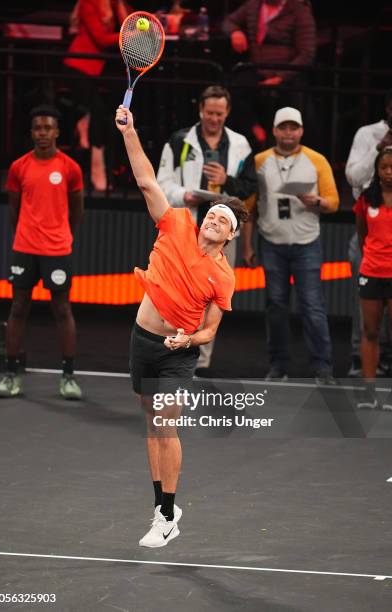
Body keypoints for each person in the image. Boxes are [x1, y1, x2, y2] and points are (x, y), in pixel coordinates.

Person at [115, 104, 248, 547]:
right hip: (142, 339)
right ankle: (161, 506)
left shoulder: (224, 276)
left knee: (166, 425)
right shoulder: (174, 225)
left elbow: (211, 330)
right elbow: (147, 180)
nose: (214, 217)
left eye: (224, 220)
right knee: (151, 423)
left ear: (230, 238)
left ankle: (168, 515)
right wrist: (130, 132)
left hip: (177, 353)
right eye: (213, 213)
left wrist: (189, 338)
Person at [157, 85, 257, 373]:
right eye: (210, 113)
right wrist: (184, 195)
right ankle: (170, 354)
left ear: (227, 113)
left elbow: (249, 189)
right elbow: (162, 184)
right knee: (175, 294)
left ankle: (198, 363)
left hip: (222, 237)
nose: (214, 118)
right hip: (186, 229)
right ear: (200, 110)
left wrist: (227, 180)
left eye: (220, 114)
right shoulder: (179, 141)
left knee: (211, 298)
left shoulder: (240, 145)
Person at [0, 106, 84, 400]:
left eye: (48, 128)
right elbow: (14, 210)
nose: (42, 133)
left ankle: (68, 377)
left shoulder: (70, 168)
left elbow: (77, 210)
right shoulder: (19, 167)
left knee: (62, 309)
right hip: (25, 247)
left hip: (57, 249)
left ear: (57, 132)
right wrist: (27, 234)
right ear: (31, 132)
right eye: (37, 129)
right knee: (18, 308)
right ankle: (10, 375)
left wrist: (62, 234)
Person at [242, 107, 339, 383]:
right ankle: (278, 365)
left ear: (301, 131)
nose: (288, 133)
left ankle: (322, 367)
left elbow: (332, 200)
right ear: (274, 130)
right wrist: (247, 247)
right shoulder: (260, 161)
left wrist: (317, 202)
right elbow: (249, 208)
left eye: (293, 128)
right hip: (271, 242)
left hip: (306, 243)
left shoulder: (316, 160)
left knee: (313, 306)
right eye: (283, 128)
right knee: (276, 306)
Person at [223, 0, 316, 148]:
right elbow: (229, 21)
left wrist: (281, 77)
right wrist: (235, 31)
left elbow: (306, 53)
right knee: (232, 90)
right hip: (256, 68)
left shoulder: (299, 10)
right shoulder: (254, 5)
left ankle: (278, 145)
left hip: (285, 73)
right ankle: (254, 132)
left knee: (289, 101)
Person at [345, 90, 392, 377]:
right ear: (388, 107)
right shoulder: (367, 134)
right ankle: (359, 358)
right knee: (365, 301)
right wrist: (379, 150)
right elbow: (353, 177)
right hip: (371, 228)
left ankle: (386, 358)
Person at [64, 0, 132, 191]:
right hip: (78, 66)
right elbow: (101, 39)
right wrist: (127, 35)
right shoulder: (88, 3)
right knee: (99, 111)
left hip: (97, 72)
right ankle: (96, 167)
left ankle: (85, 123)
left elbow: (133, 22)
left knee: (106, 114)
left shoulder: (117, 5)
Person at [353, 147, 392, 410]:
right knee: (370, 331)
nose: (389, 172)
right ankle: (369, 392)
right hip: (372, 273)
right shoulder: (367, 199)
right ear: (377, 171)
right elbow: (362, 235)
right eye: (384, 167)